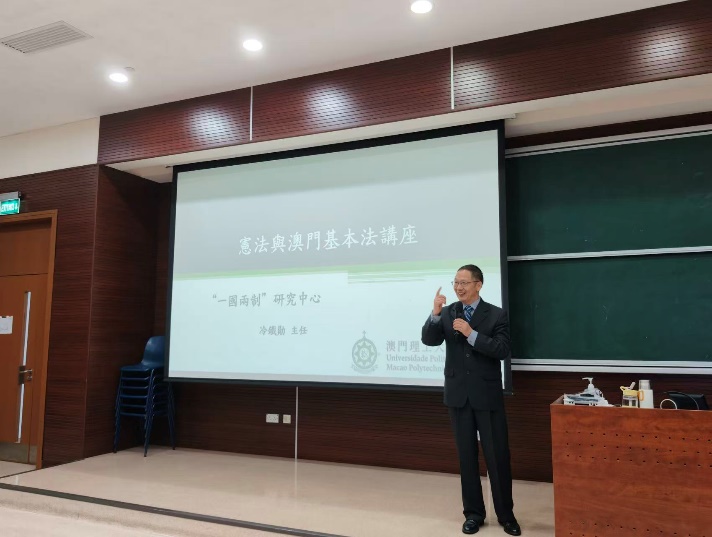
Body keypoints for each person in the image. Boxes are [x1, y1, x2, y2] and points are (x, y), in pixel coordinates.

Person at [421, 264, 520, 536]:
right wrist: (435, 314)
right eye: (456, 282)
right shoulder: (448, 311)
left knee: (497, 457)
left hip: (487, 396)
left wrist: (471, 333)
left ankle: (506, 515)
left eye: (464, 282)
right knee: (466, 458)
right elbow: (429, 340)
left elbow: (502, 349)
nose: (458, 287)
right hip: (458, 396)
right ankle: (474, 514)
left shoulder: (496, 314)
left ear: (478, 285)